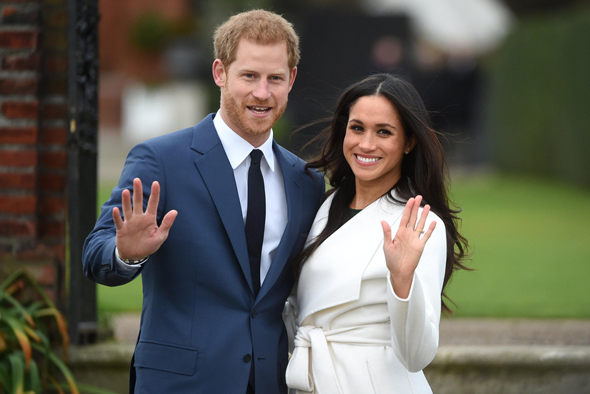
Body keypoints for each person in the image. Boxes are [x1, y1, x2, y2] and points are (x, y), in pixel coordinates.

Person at [82, 10, 325, 394]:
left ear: (291, 80)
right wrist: (126, 254)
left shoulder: (306, 182)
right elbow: (95, 256)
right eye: (249, 76)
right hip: (179, 384)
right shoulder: (160, 159)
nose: (262, 93)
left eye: (274, 78)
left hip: (270, 383)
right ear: (220, 73)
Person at [284, 73, 469, 394]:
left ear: (409, 142)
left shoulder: (422, 225)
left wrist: (402, 279)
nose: (366, 144)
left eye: (384, 132)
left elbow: (417, 356)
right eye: (357, 128)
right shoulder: (321, 208)